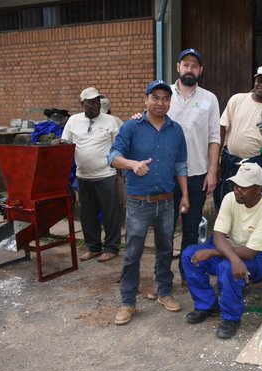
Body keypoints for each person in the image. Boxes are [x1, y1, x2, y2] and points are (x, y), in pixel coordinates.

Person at [109, 79, 189, 327]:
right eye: (155, 97)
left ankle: (164, 292)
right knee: (133, 253)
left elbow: (180, 165)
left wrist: (184, 195)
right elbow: (112, 156)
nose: (160, 103)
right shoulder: (131, 127)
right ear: (146, 100)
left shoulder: (176, 130)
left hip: (166, 202)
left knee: (166, 249)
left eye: (165, 98)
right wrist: (133, 164)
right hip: (138, 203)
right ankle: (127, 301)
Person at [181, 161, 262, 339]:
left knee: (228, 268)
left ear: (258, 189)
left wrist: (214, 253)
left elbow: (250, 253)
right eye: (235, 184)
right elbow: (218, 235)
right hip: (230, 248)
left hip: (259, 256)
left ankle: (231, 318)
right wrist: (232, 257)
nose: (237, 189)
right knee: (189, 255)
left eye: (244, 187)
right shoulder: (230, 198)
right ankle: (207, 305)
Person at [165, 49, 222, 286]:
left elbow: (214, 137)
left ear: (201, 70)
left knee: (191, 230)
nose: (190, 69)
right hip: (166, 176)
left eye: (194, 66)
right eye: (186, 65)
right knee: (164, 230)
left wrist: (211, 171)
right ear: (178, 67)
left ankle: (187, 275)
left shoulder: (210, 98)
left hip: (197, 175)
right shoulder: (163, 94)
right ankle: (163, 278)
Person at [62, 87, 122, 262]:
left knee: (110, 214)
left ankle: (111, 248)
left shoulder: (110, 121)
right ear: (82, 104)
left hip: (106, 175)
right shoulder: (73, 121)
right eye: (90, 102)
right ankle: (93, 247)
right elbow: (66, 143)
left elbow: (117, 148)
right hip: (83, 176)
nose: (95, 105)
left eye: (97, 101)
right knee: (87, 215)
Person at [217, 65, 262, 209]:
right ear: (255, 81)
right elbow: (222, 128)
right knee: (227, 204)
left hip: (255, 165)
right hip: (230, 162)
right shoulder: (237, 99)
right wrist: (217, 160)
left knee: (252, 206)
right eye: (260, 80)